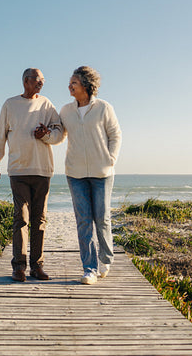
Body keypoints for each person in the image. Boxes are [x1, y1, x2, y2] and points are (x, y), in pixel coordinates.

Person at [0, 68, 63, 282]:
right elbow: (0, 135)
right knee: (21, 218)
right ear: (26, 81)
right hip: (18, 170)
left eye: (43, 80)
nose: (41, 83)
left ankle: (37, 266)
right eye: (38, 80)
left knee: (39, 220)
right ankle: (19, 267)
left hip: (42, 170)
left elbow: (60, 133)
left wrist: (46, 134)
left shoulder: (47, 104)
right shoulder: (10, 104)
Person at [60, 66, 121, 285]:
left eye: (73, 83)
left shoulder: (104, 108)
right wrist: (46, 134)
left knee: (102, 218)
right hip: (75, 173)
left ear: (86, 85)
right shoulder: (66, 110)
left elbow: (115, 135)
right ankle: (89, 268)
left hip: (102, 173)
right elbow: (59, 134)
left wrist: (110, 159)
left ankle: (106, 260)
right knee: (83, 221)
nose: (69, 86)